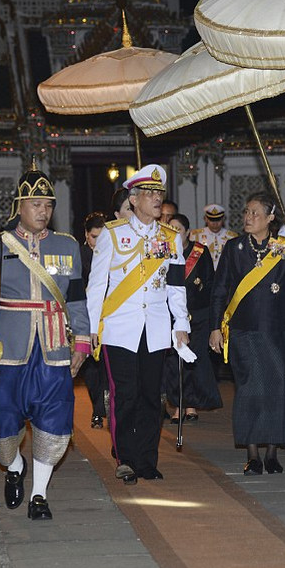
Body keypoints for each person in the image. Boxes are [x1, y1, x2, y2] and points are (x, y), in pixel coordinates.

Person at [0, 161, 91, 521]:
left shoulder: (67, 246)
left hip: (54, 348)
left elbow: (77, 301)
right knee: (1, 418)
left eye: (49, 205)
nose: (43, 211)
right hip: (9, 349)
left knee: (54, 418)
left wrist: (82, 343)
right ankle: (14, 466)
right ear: (19, 207)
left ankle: (39, 495)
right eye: (36, 205)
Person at [87, 164, 191, 485]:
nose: (158, 199)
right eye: (150, 194)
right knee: (125, 395)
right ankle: (126, 458)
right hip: (120, 328)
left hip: (157, 328)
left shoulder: (170, 238)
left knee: (151, 396)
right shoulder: (113, 234)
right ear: (134, 200)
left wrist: (181, 324)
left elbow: (176, 285)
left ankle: (148, 460)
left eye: (160, 193)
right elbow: (96, 283)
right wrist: (92, 327)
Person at [209, 192, 285, 475]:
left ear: (270, 217)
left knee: (277, 390)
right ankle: (252, 454)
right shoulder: (234, 248)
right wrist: (215, 327)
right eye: (246, 212)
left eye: (255, 213)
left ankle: (272, 452)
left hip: (277, 331)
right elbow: (219, 290)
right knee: (249, 391)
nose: (248, 218)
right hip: (243, 331)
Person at [161, 213, 222, 422]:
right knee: (173, 362)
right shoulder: (163, 250)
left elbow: (210, 282)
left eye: (178, 230)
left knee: (193, 359)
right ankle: (178, 405)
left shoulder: (200, 251)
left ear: (187, 232)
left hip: (198, 315)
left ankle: (192, 405)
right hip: (172, 315)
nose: (174, 233)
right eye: (171, 229)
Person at [78, 211, 108, 428]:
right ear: (86, 235)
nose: (97, 242)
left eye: (101, 236)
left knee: (107, 363)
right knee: (90, 368)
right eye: (94, 236)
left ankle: (100, 410)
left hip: (108, 314)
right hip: (85, 315)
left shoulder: (112, 255)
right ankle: (98, 406)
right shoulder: (79, 256)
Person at [189, 204, 237, 269]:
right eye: (211, 220)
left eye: (218, 220)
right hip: (203, 272)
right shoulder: (196, 235)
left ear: (223, 219)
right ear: (205, 219)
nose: (215, 223)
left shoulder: (232, 236)